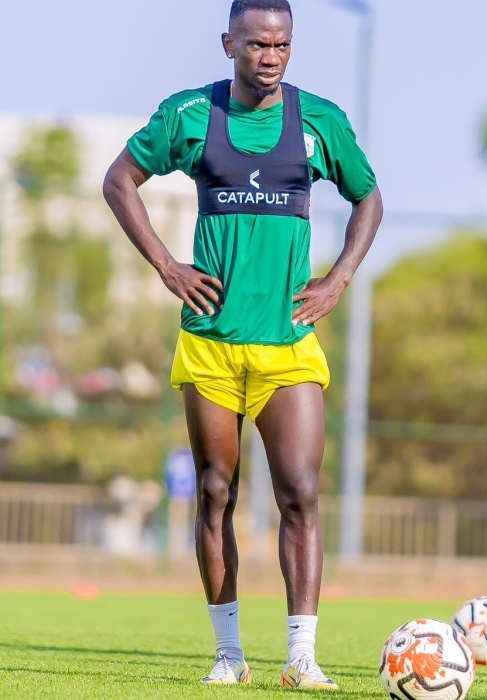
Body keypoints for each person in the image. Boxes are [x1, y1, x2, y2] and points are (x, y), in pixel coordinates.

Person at [102, 0, 382, 690]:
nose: (270, 57)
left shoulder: (319, 121)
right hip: (211, 343)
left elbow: (369, 197)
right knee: (214, 491)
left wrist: (339, 278)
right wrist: (167, 266)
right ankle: (228, 654)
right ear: (229, 43)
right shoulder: (191, 115)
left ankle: (302, 657)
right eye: (257, 44)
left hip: (288, 343)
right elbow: (119, 180)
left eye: (281, 45)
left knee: (301, 492)